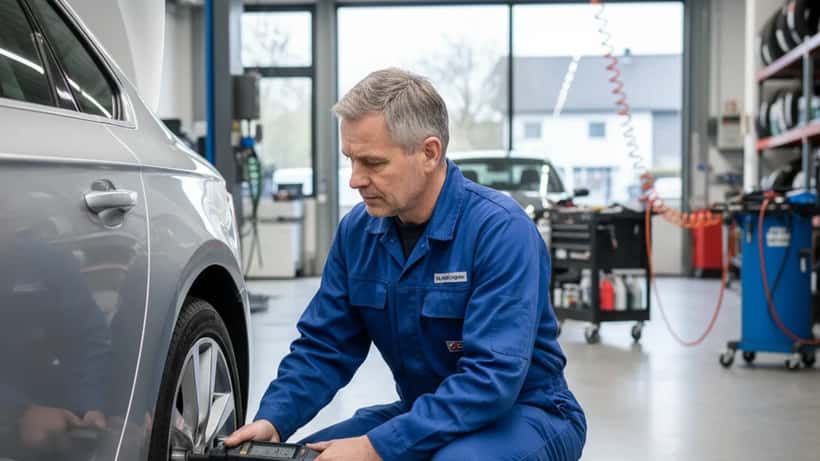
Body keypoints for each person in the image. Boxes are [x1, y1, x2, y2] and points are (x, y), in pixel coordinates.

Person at [226, 68, 586, 460]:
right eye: (351, 160)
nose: (355, 180)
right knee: (308, 456)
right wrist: (274, 420)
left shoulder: (500, 231)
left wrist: (375, 447)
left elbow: (491, 381)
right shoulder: (358, 233)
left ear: (429, 153)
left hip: (528, 413)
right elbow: (324, 345)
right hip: (428, 410)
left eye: (373, 163)